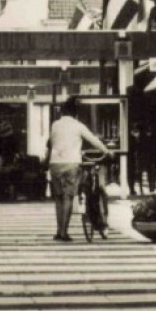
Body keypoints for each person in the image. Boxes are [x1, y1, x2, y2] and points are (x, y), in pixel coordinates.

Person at [45, 96, 112, 241]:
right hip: (71, 164)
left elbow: (51, 142)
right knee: (68, 197)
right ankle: (64, 232)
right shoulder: (78, 125)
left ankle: (58, 231)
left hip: (55, 163)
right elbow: (94, 140)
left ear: (62, 111)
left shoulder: (55, 125)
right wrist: (107, 151)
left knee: (58, 198)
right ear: (75, 112)